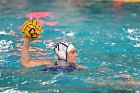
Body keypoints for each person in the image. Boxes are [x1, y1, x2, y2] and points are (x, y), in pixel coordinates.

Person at [20, 38, 87, 71]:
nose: (76, 55)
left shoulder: (78, 67)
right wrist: (27, 39)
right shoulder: (48, 64)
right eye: (72, 52)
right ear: (62, 54)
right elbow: (25, 63)